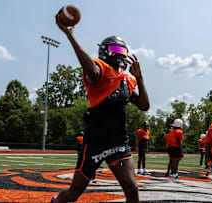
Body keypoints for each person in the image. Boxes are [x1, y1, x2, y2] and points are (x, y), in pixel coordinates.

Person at [53, 13, 149, 203]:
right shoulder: (100, 69)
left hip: (118, 142)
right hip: (94, 143)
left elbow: (144, 106)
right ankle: (56, 201)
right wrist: (70, 35)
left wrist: (140, 78)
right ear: (105, 51)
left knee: (132, 189)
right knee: (73, 194)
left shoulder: (127, 80)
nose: (120, 53)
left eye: (122, 49)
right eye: (115, 49)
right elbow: (91, 70)